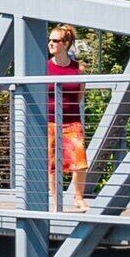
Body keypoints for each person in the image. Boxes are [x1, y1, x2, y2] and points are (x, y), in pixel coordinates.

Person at [46, 25, 90, 192]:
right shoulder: (44, 67)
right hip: (49, 121)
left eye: (55, 40)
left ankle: (78, 199)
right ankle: (54, 199)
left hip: (71, 121)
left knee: (79, 162)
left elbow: (80, 95)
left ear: (65, 44)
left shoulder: (78, 68)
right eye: (50, 40)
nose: (50, 43)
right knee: (52, 162)